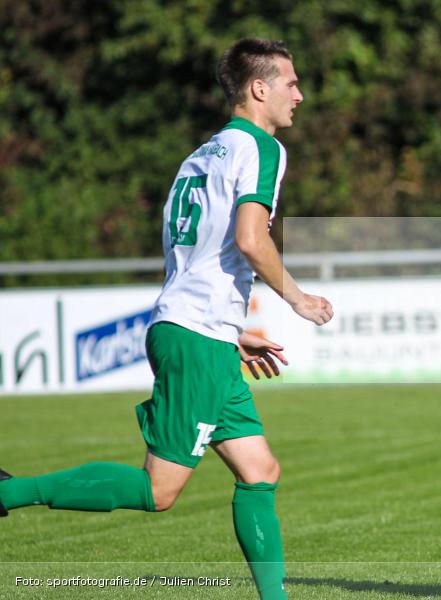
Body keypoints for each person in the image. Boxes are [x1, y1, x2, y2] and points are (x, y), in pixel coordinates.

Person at [0, 38, 333, 600]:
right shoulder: (262, 148)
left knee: (260, 470)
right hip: (196, 335)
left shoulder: (202, 155)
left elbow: (193, 252)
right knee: (159, 490)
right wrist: (297, 299)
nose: (299, 94)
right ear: (259, 89)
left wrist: (230, 330)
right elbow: (252, 242)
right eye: (291, 83)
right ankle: (7, 494)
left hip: (199, 330)